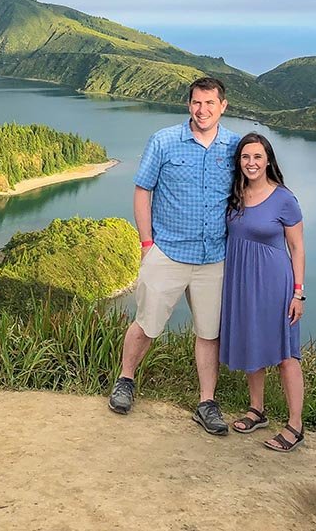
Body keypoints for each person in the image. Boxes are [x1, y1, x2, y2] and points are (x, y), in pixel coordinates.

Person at [108, 76, 240, 436]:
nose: (203, 110)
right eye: (197, 103)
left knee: (208, 333)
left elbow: (252, 192)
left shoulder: (234, 147)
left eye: (210, 103)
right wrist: (147, 244)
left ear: (223, 106)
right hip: (167, 251)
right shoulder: (164, 141)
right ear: (189, 105)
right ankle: (125, 380)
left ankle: (207, 402)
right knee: (146, 323)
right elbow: (142, 190)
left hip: (214, 257)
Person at [219, 132, 307, 452]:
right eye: (245, 157)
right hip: (241, 280)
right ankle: (257, 409)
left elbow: (297, 248)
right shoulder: (235, 193)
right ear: (239, 162)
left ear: (268, 159)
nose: (251, 163)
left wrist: (298, 293)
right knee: (251, 342)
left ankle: (295, 425)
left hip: (274, 283)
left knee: (286, 353)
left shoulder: (284, 198)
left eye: (257, 157)